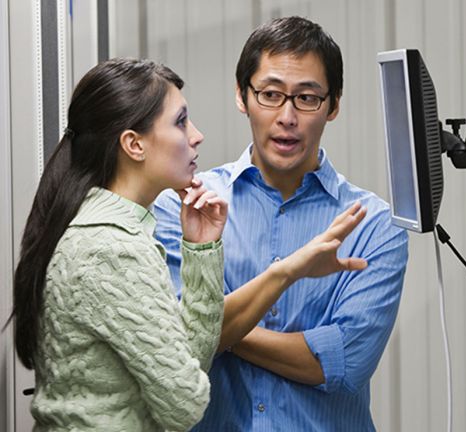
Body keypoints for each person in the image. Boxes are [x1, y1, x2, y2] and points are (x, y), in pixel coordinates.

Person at [9, 58, 367, 431]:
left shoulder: (114, 231)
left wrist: (201, 252)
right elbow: (186, 402)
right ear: (134, 144)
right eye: (180, 122)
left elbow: (191, 358)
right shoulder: (112, 249)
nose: (197, 135)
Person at [153, 16, 409, 431]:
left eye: (307, 98)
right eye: (270, 94)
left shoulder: (373, 225)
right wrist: (199, 333)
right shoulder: (186, 207)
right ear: (242, 96)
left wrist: (214, 329)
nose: (287, 116)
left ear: (334, 105)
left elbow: (342, 364)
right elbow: (173, 345)